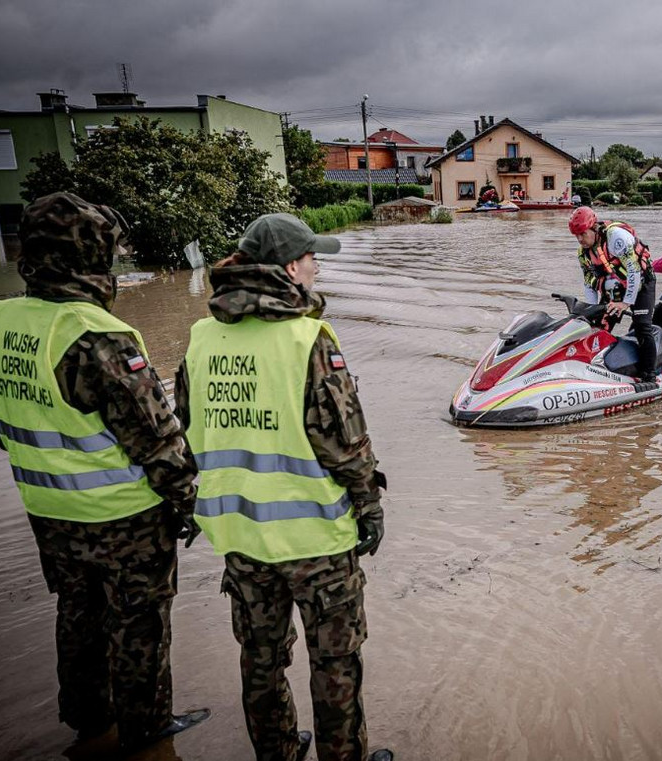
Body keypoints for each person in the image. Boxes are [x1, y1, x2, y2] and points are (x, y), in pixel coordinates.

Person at [0, 192, 209, 753]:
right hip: (125, 515)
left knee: (77, 613)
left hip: (48, 511)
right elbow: (156, 438)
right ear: (93, 254)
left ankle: (88, 720)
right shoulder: (96, 333)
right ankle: (147, 732)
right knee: (139, 626)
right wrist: (187, 500)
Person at [175, 214, 391, 761]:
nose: (318, 265)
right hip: (314, 538)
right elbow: (345, 444)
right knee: (334, 661)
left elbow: (180, 426)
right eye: (313, 257)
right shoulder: (309, 338)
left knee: (261, 657)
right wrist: (370, 509)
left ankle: (277, 753)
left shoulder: (202, 338)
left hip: (241, 537)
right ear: (291, 268)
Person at [568, 206, 659, 384]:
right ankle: (594, 369)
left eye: (583, 234)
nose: (580, 239)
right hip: (616, 286)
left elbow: (634, 272)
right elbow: (589, 282)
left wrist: (626, 303)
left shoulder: (616, 237)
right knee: (597, 325)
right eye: (576, 235)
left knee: (642, 327)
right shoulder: (583, 252)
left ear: (593, 228)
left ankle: (649, 376)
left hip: (641, 283)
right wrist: (591, 309)